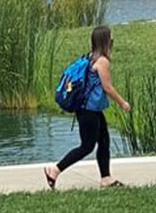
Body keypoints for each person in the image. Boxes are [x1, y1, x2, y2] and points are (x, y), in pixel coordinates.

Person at [44, 26, 131, 190]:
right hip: (88, 111)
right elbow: (107, 87)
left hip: (91, 110)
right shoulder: (102, 61)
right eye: (111, 38)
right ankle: (55, 170)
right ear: (106, 41)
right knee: (87, 146)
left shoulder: (90, 57)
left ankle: (106, 178)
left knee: (104, 141)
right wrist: (123, 103)